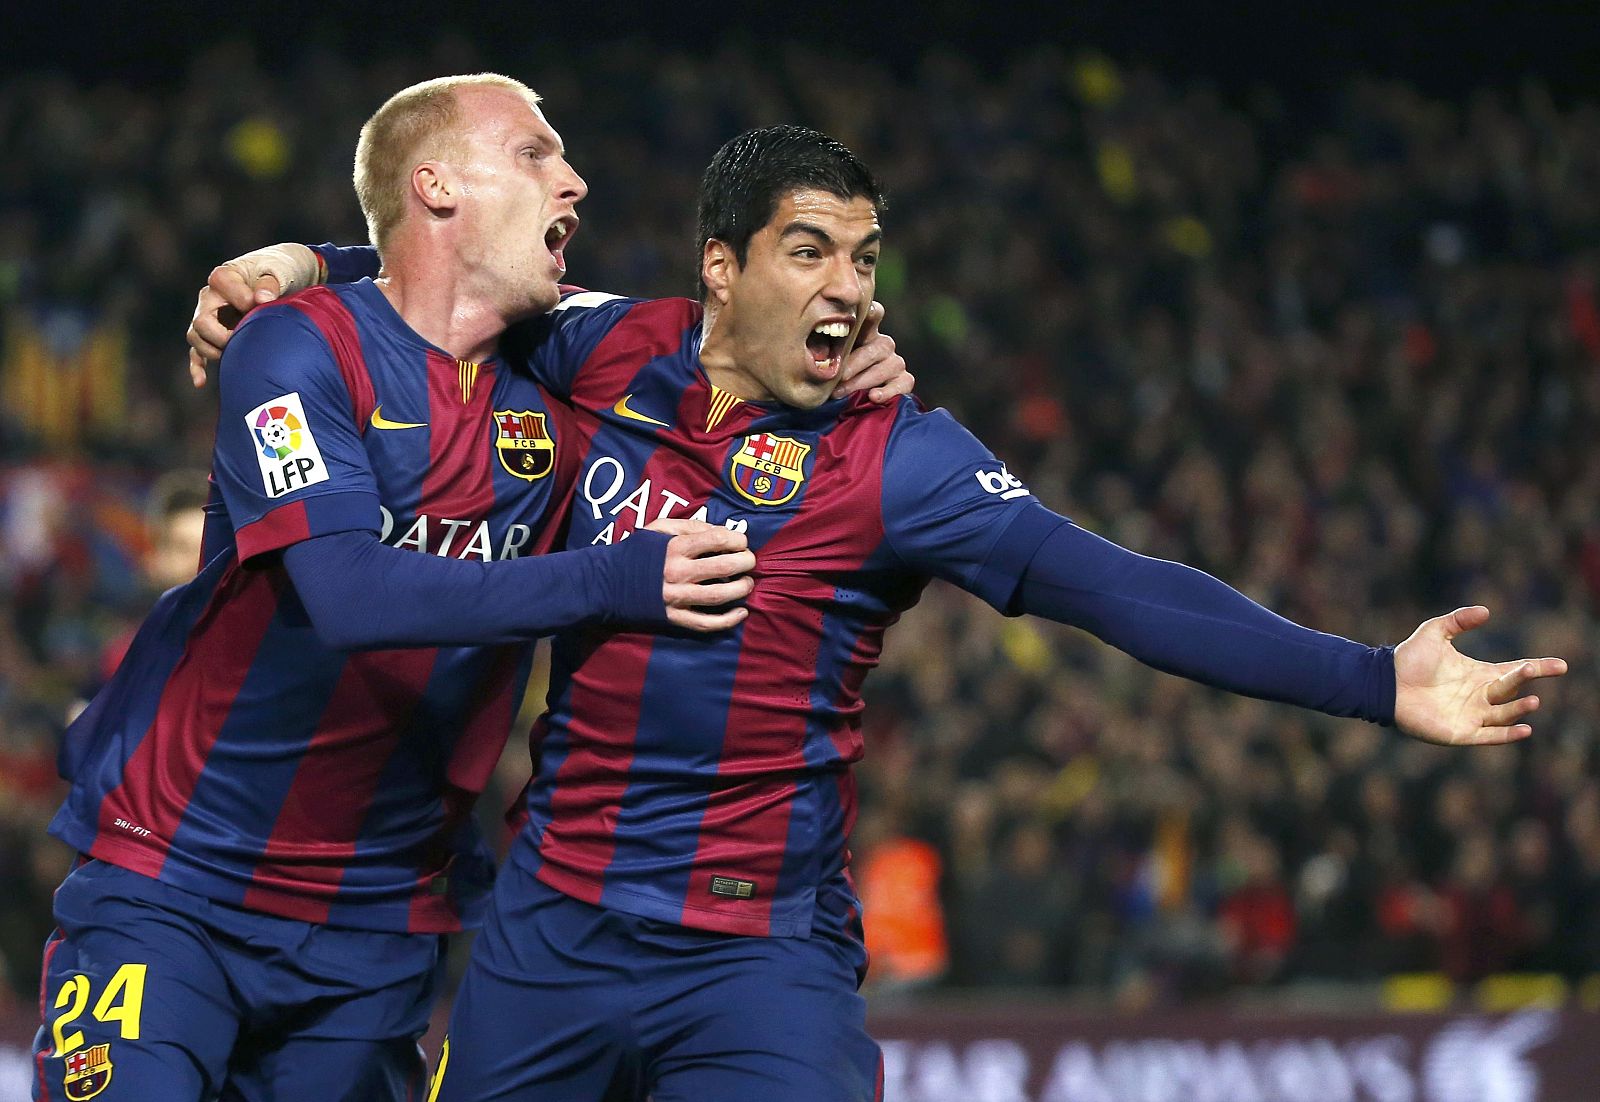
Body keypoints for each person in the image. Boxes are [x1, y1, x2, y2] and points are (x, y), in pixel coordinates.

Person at [192, 126, 1565, 1102]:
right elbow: (455, 284)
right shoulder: (606, 346)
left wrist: (1374, 678)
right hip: (547, 931)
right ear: (720, 268)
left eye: (862, 254)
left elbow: (1118, 586)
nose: (850, 286)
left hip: (756, 954)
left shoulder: (898, 455)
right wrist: (301, 266)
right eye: (811, 251)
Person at [34, 78, 909, 1102]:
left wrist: (837, 351)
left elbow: (749, 329)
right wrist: (613, 576)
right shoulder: (294, 345)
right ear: (437, 184)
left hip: (378, 924)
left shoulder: (568, 370)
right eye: (537, 154)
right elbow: (348, 593)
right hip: (176, 884)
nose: (573, 180)